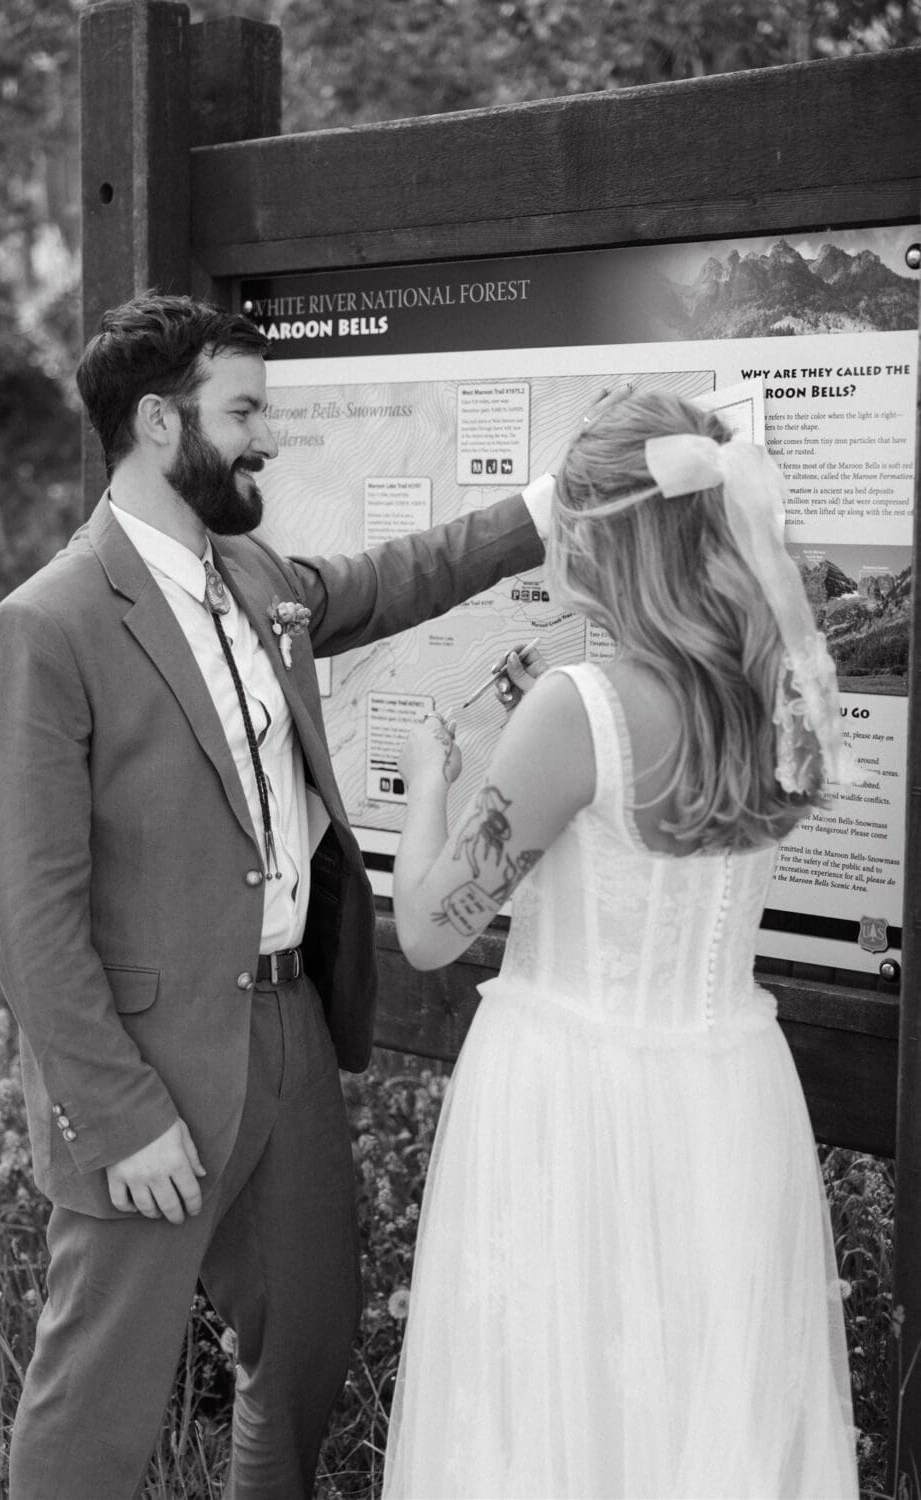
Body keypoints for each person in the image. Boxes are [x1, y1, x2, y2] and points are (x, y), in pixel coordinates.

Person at [0, 291, 552, 1500]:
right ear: (157, 423)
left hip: (287, 1028)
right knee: (95, 1404)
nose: (268, 438)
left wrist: (547, 509)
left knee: (310, 1349)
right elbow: (26, 915)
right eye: (243, 413)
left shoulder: (254, 573)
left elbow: (393, 578)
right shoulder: (45, 628)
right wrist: (118, 1114)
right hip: (148, 1064)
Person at [383, 389, 860, 1499]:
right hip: (730, 1095)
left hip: (570, 1101)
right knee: (702, 1407)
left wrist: (426, 788)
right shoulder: (782, 691)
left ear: (603, 533)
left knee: (557, 1416)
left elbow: (428, 931)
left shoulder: (577, 706)